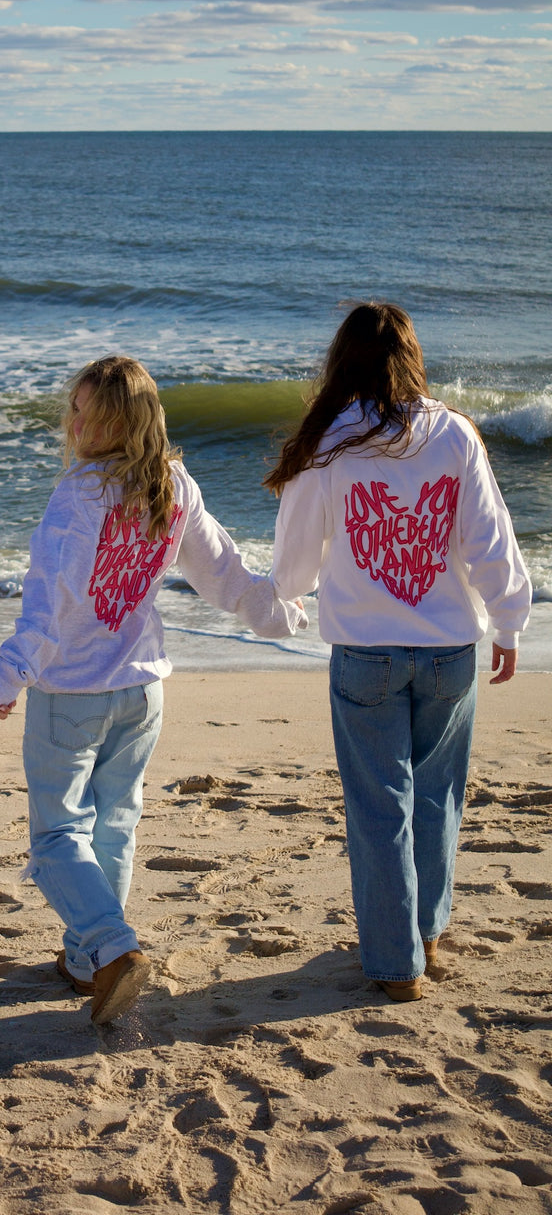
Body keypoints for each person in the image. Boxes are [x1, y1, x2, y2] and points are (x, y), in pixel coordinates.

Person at [0, 355, 307, 1025]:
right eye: (74, 408)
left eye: (86, 413)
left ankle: (112, 946)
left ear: (118, 424)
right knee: (115, 823)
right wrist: (280, 614)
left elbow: (53, 600)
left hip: (73, 693)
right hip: (142, 691)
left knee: (58, 835)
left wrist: (6, 676)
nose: (73, 423)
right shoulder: (173, 484)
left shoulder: (80, 494)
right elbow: (227, 578)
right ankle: (86, 962)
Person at [265, 303, 531, 1002]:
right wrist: (509, 623)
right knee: (438, 794)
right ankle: (428, 934)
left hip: (366, 653)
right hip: (449, 650)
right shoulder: (454, 433)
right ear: (412, 356)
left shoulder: (330, 441)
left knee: (379, 806)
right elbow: (491, 541)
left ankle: (396, 964)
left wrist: (286, 597)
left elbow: (293, 563)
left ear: (341, 361)